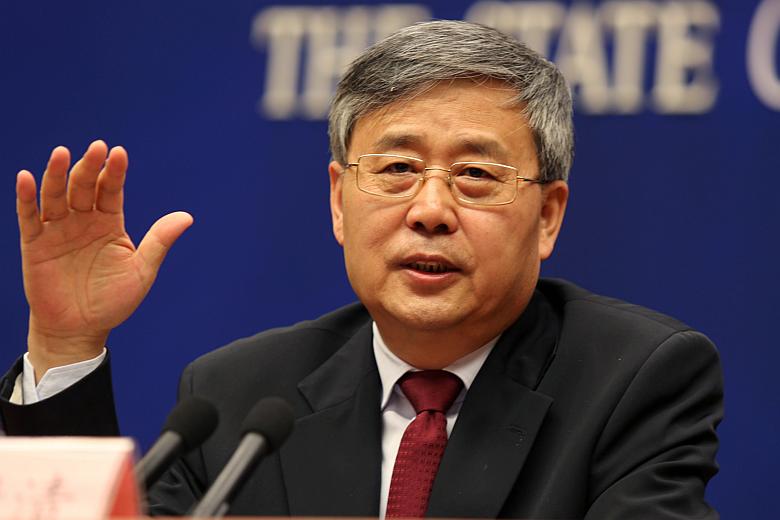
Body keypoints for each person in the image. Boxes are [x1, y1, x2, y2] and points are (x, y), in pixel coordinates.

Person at [0, 20, 722, 519]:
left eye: (475, 175)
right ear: (339, 201)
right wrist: (66, 345)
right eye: (397, 168)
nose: (431, 209)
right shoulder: (237, 398)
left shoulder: (634, 381)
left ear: (549, 216)